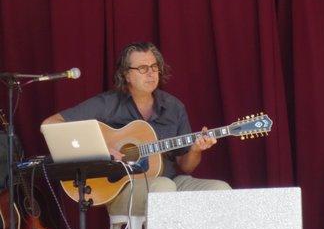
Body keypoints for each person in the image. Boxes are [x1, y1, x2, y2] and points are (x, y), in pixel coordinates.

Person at [42, 42, 231, 216]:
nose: (151, 73)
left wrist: (196, 150)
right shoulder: (108, 104)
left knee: (221, 190)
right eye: (142, 68)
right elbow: (50, 124)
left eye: (154, 67)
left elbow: (185, 165)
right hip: (123, 190)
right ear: (126, 74)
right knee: (163, 188)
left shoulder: (174, 107)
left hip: (171, 182)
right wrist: (101, 150)